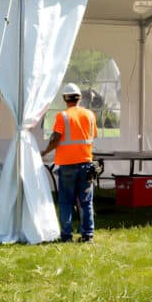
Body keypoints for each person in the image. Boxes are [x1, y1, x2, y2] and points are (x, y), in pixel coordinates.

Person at [41, 83, 98, 243]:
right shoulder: (90, 115)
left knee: (66, 201)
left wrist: (45, 152)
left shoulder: (62, 116)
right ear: (79, 98)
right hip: (86, 163)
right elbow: (93, 135)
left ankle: (66, 235)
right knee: (86, 202)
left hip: (67, 165)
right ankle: (88, 235)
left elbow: (55, 139)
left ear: (65, 99)